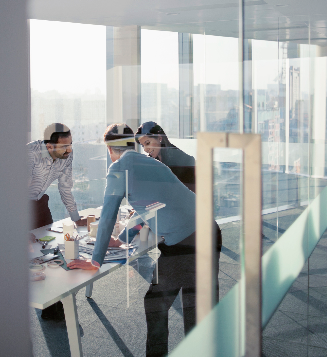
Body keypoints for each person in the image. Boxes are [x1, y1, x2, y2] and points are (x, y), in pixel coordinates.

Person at [68, 124, 221, 357]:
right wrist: (122, 238)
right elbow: (151, 207)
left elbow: (108, 214)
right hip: (210, 232)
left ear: (110, 149)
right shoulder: (152, 163)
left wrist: (96, 260)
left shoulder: (119, 168)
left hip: (186, 244)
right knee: (196, 308)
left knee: (156, 304)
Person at [28, 122, 89, 321]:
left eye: (71, 144)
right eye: (65, 146)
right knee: (30, 254)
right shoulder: (29, 155)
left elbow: (65, 188)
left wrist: (76, 218)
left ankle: (52, 306)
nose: (70, 150)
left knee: (51, 250)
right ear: (49, 146)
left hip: (39, 203)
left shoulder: (66, 156)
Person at [135, 121, 196, 193]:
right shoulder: (153, 160)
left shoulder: (180, 160)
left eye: (147, 143)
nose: (145, 149)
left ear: (159, 138)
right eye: (143, 145)